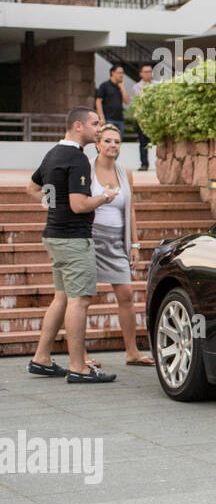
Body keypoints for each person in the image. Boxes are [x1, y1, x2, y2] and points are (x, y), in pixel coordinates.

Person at [26, 107, 118, 383]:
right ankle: (79, 367)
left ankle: (41, 358)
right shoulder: (77, 159)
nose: (99, 129)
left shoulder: (53, 153)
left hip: (54, 235)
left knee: (62, 297)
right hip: (74, 239)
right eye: (94, 124)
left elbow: (31, 188)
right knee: (80, 300)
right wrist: (105, 197)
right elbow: (79, 205)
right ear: (78, 126)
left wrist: (55, 207)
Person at [90, 124, 154, 367]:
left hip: (117, 240)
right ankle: (81, 354)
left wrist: (135, 243)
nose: (112, 145)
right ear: (97, 144)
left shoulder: (125, 173)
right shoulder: (87, 169)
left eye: (116, 141)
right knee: (84, 297)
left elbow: (132, 209)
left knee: (126, 294)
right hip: (91, 239)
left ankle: (132, 351)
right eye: (107, 141)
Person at [132, 63, 153, 171]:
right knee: (144, 143)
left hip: (155, 118)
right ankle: (144, 163)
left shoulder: (157, 84)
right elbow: (143, 100)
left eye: (150, 71)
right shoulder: (137, 87)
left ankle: (159, 163)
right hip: (143, 119)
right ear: (141, 74)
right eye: (146, 72)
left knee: (156, 142)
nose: (149, 74)